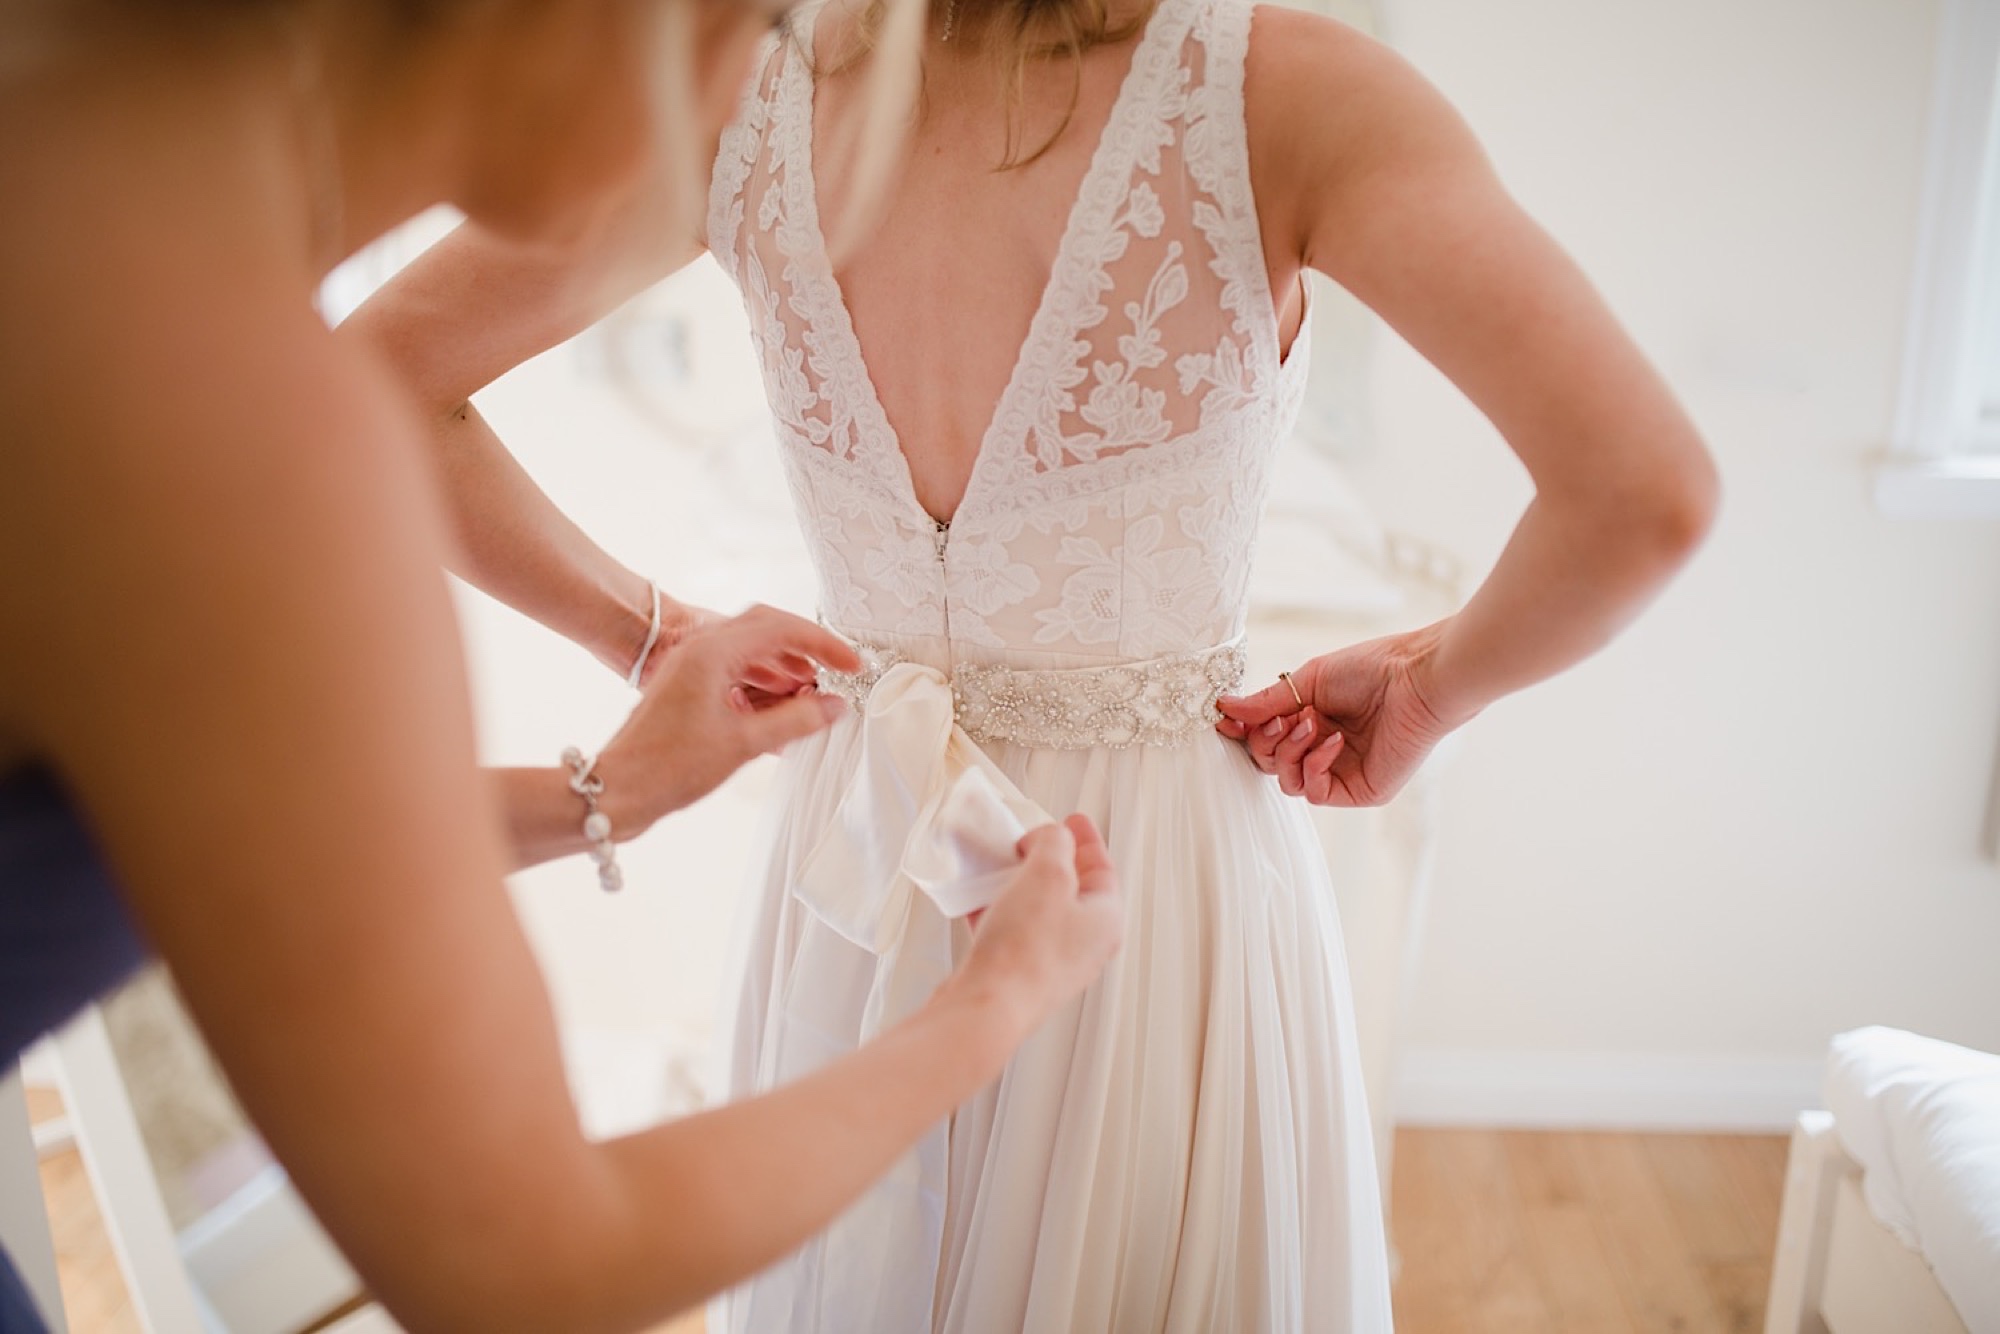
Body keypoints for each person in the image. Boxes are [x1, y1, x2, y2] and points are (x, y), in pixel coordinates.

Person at [354, 0, 1722, 1325]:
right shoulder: (1291, 92)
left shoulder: (744, 81)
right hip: (1147, 883)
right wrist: (1430, 688)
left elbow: (373, 373)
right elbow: (1643, 494)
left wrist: (650, 634)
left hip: (864, 857)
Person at [0, 0, 1126, 1329]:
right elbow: (521, 1263)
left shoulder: (75, 176)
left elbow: (242, 831)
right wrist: (989, 1010)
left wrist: (606, 786)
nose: (740, 99)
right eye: (761, 24)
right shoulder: (216, 408)